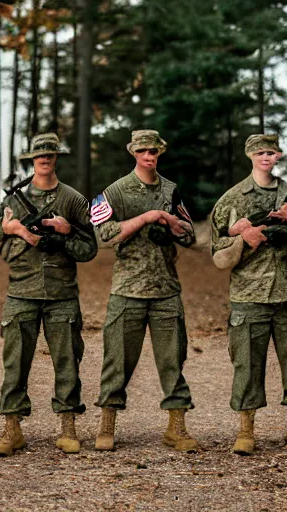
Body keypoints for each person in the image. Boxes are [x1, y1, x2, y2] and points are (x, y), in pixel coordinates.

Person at [0, 133, 98, 456]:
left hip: (61, 293)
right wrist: (15, 231)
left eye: (50, 154)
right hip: (21, 290)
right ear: (31, 159)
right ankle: (12, 429)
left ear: (56, 158)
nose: (45, 159)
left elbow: (89, 248)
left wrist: (65, 235)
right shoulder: (13, 200)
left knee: (67, 361)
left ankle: (67, 427)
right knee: (15, 362)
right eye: (39, 155)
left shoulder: (73, 200)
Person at [91, 129, 199, 453]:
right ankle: (107, 426)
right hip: (128, 288)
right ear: (133, 153)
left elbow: (190, 235)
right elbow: (104, 234)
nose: (148, 156)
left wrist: (172, 227)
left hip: (165, 288)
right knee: (117, 361)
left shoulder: (170, 190)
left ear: (159, 153)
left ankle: (176, 428)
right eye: (142, 151)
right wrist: (149, 217)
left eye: (153, 151)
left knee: (172, 359)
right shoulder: (116, 191)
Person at [211, 133, 287, 455]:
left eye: (271, 152)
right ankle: (246, 431)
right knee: (247, 364)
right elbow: (218, 255)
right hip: (249, 295)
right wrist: (246, 238)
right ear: (250, 156)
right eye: (259, 152)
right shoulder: (232, 199)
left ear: (279, 155)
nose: (265, 157)